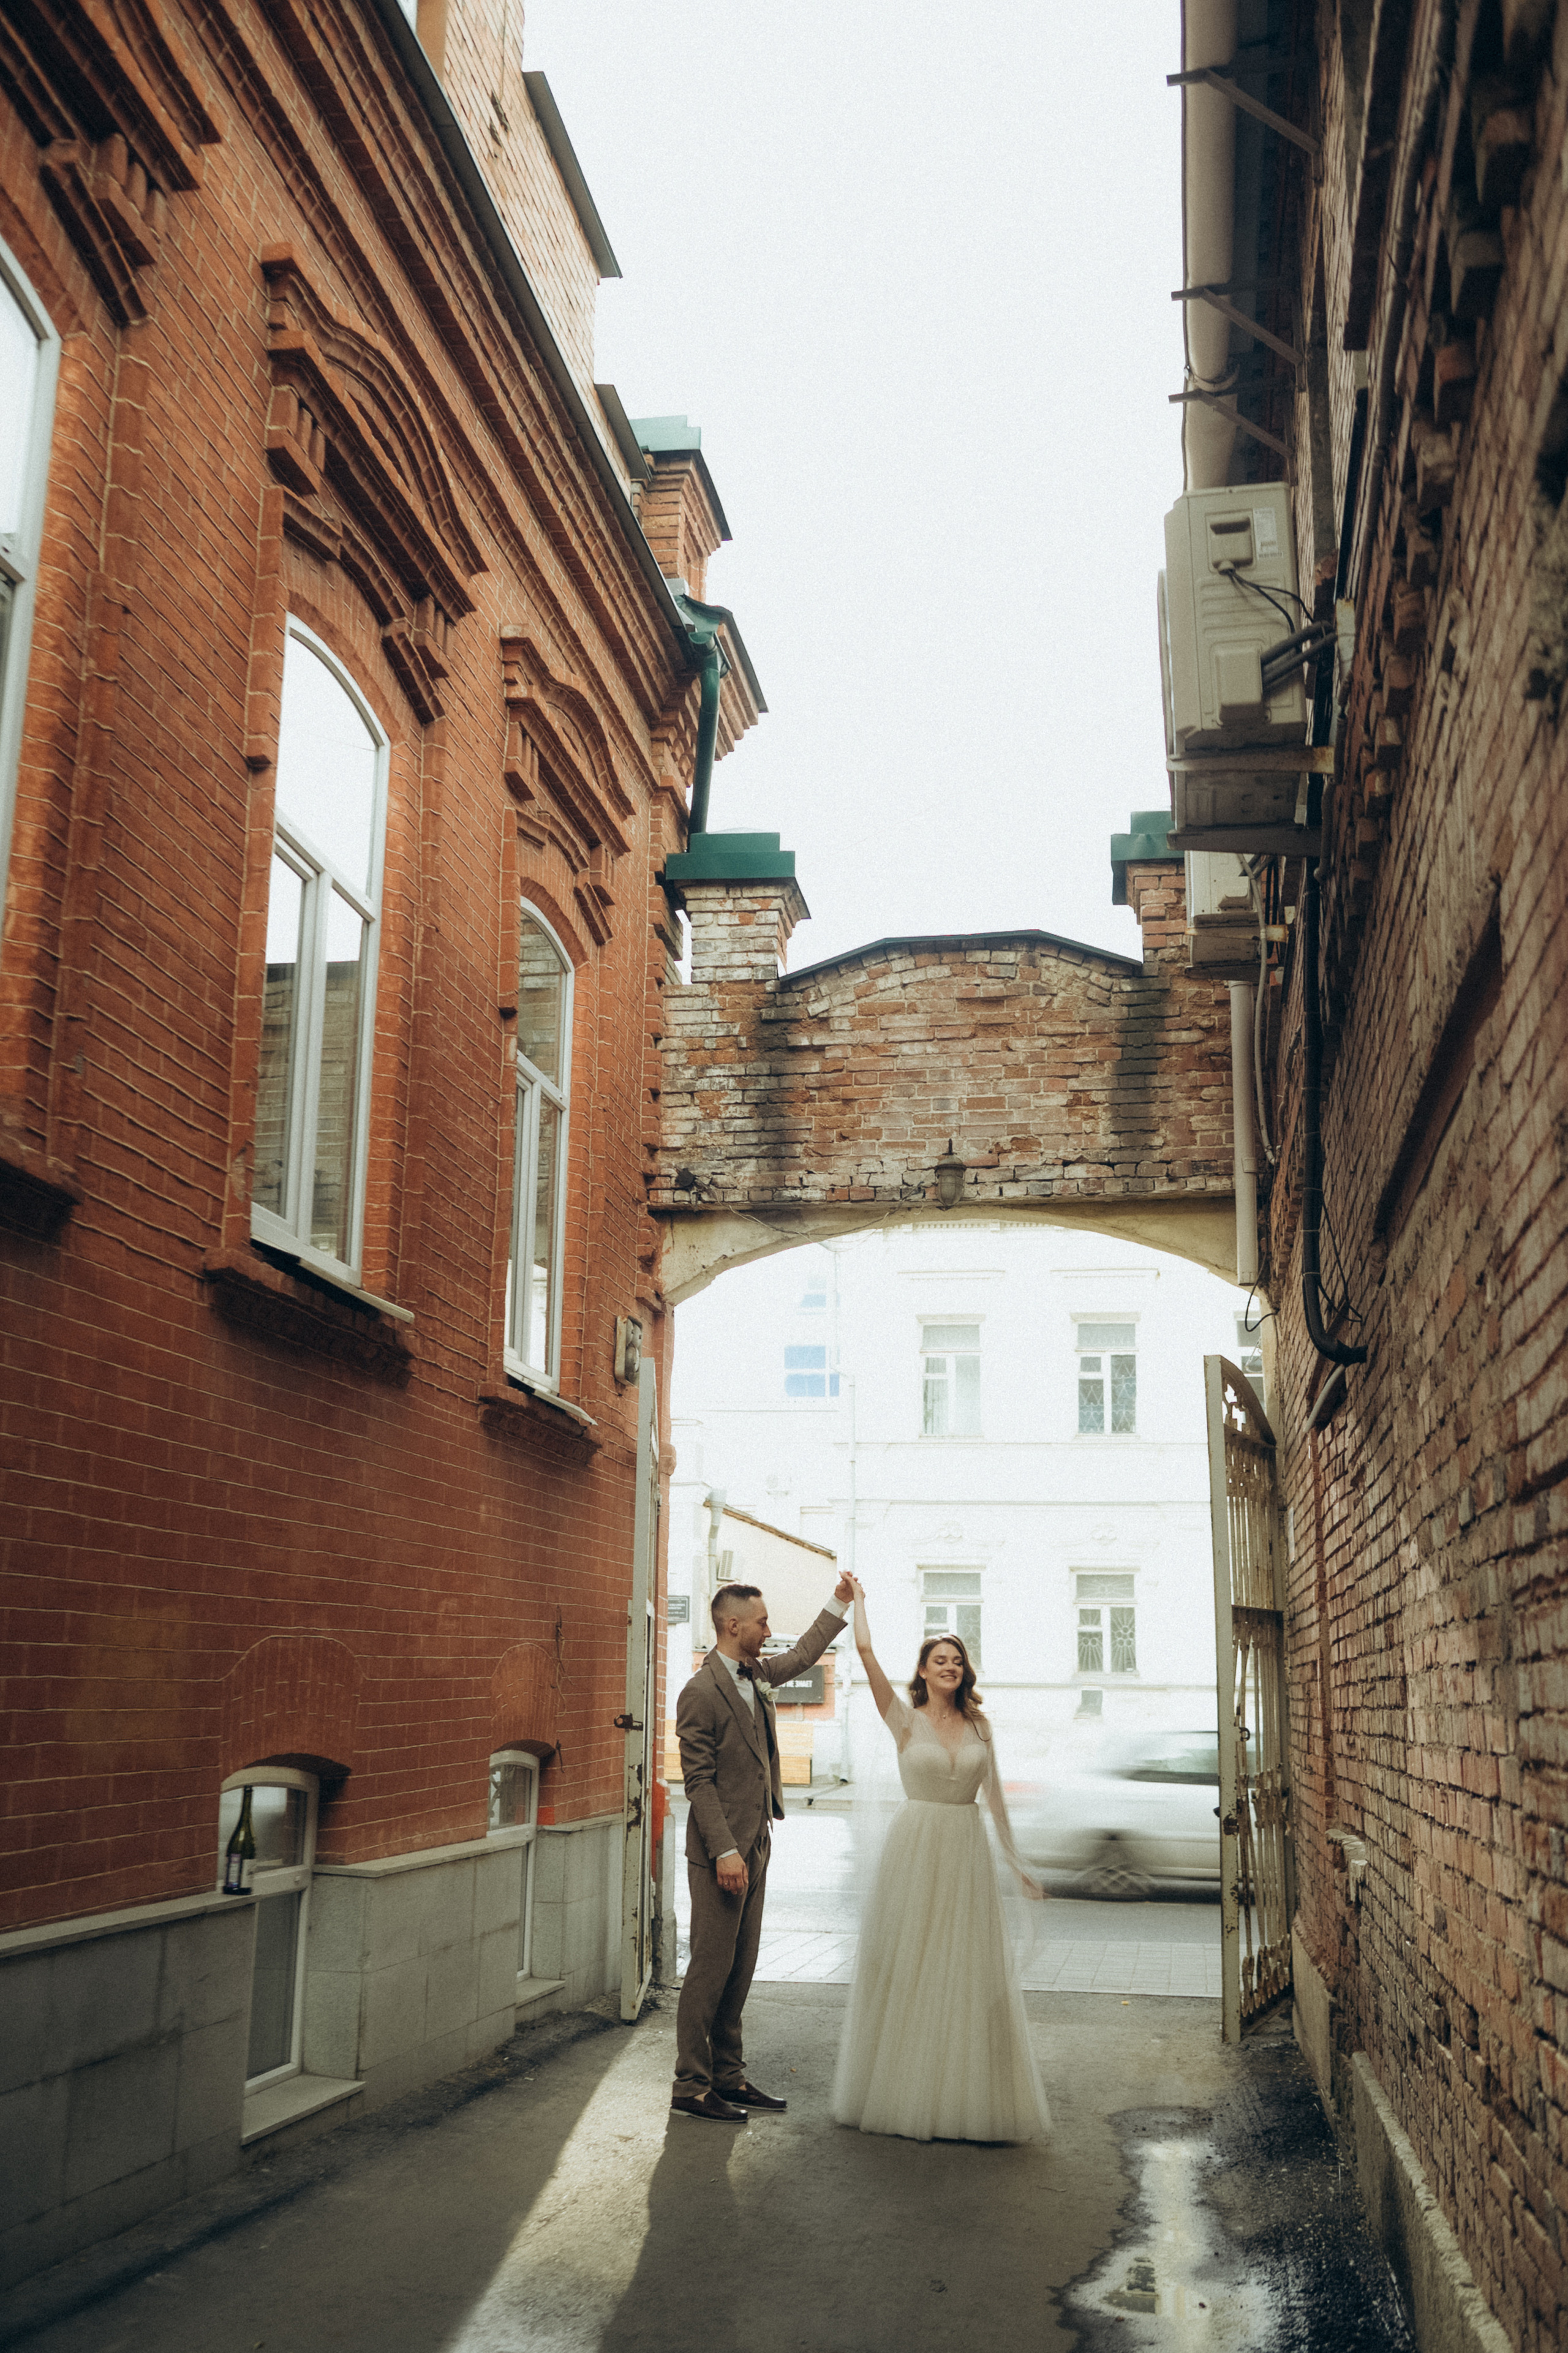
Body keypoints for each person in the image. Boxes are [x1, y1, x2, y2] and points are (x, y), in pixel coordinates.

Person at [831, 1575, 1051, 2143]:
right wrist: (858, 1602)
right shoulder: (904, 1719)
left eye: (957, 1659)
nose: (950, 1666)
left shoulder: (981, 1725)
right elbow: (864, 1653)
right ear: (924, 1671)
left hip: (966, 1852)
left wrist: (1017, 1863)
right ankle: (905, 2089)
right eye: (940, 1659)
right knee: (912, 1963)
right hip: (916, 1848)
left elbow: (996, 1799)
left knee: (967, 1968)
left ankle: (965, 2098)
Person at [673, 1572, 854, 2121]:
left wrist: (838, 1601)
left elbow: (802, 1656)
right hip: (720, 1854)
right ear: (733, 1626)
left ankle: (728, 2078)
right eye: (761, 1622)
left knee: (741, 1967)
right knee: (709, 1968)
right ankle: (690, 2085)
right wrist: (726, 1852)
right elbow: (698, 1783)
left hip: (756, 1844)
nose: (768, 1630)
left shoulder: (755, 1673)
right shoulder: (700, 1692)